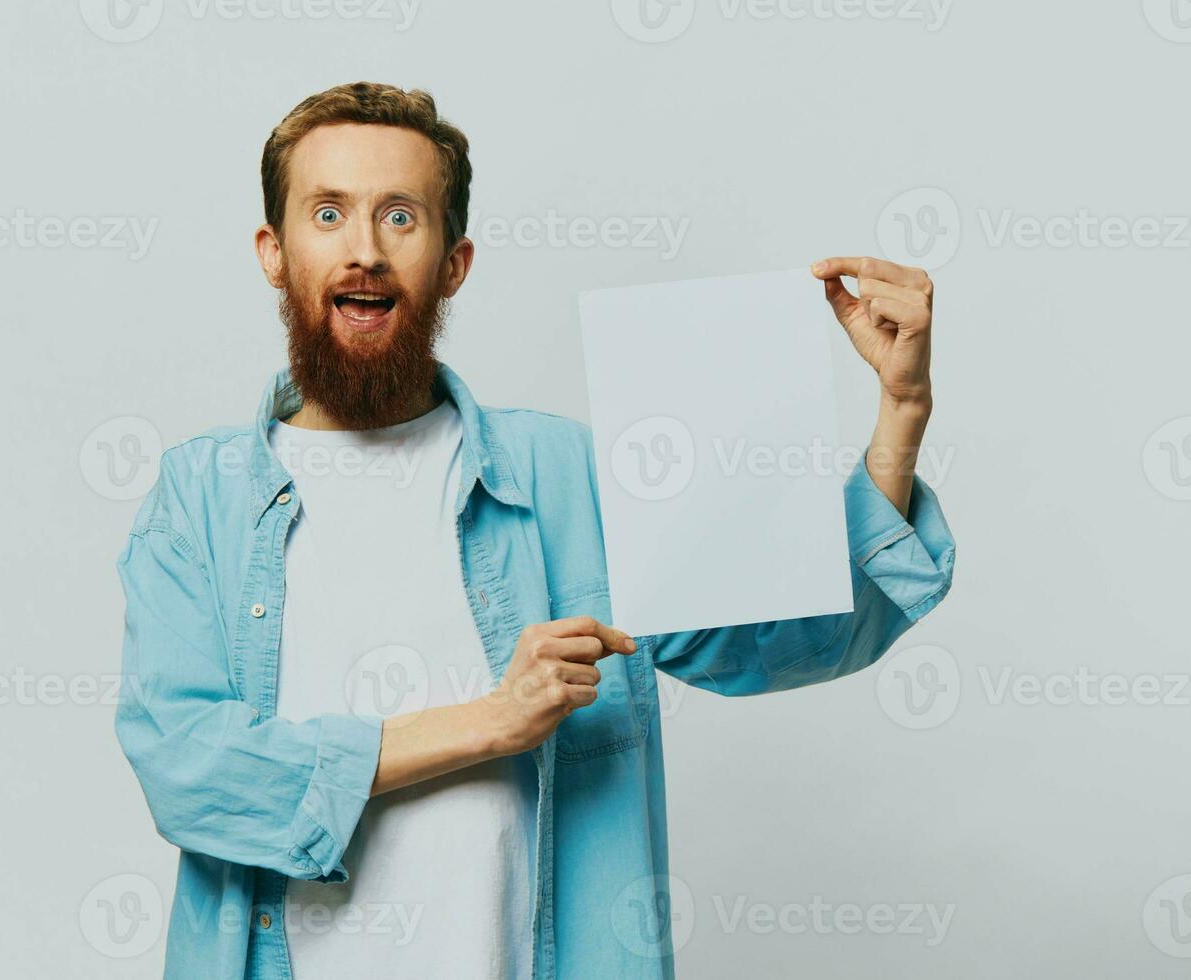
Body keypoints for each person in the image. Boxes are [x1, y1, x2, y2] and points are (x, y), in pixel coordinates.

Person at [114, 80, 955, 980]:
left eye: (401, 217)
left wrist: (900, 415)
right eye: (328, 214)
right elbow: (191, 771)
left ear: (455, 261)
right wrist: (491, 722)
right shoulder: (199, 500)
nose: (363, 251)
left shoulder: (571, 477)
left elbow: (788, 636)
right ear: (273, 254)